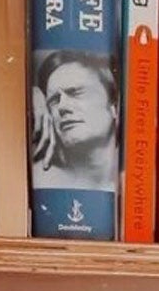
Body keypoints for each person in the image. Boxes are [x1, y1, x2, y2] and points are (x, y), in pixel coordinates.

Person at [33, 51, 119, 192]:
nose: (62, 107)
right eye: (54, 100)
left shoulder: (138, 177)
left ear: (113, 106)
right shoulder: (44, 180)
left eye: (76, 93)